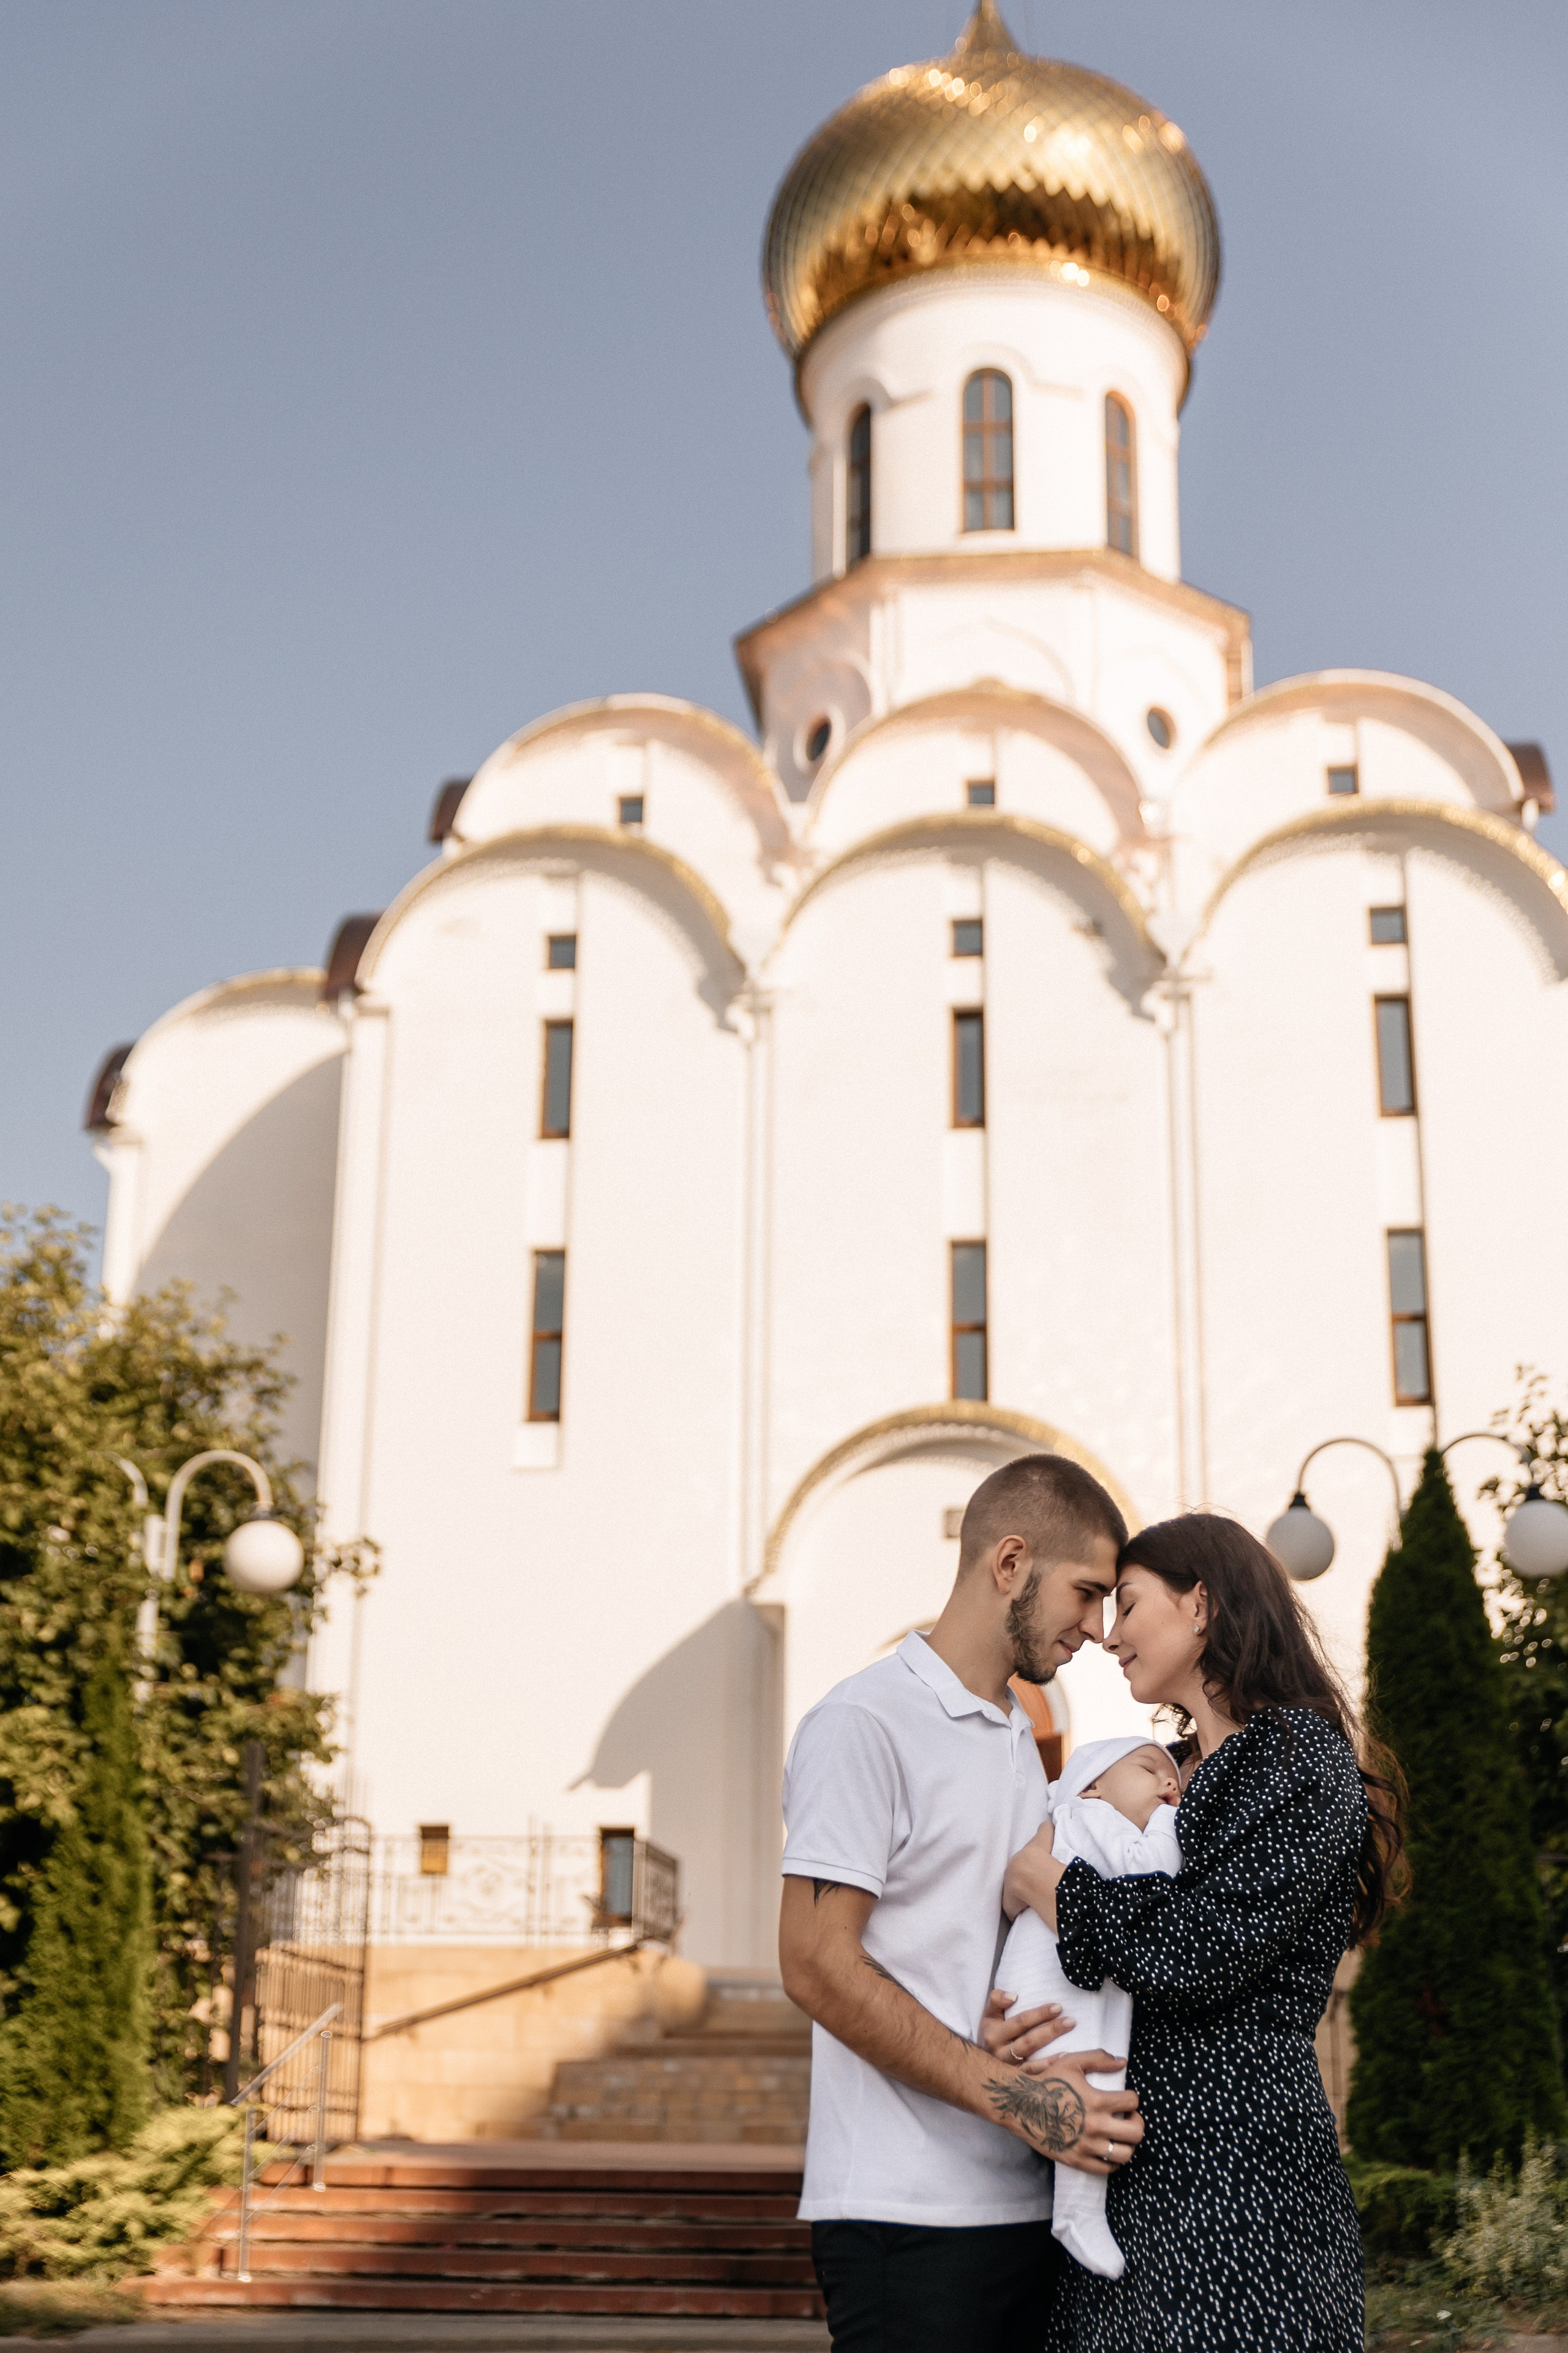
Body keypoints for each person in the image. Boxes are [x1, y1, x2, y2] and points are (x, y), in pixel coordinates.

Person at [994, 1514, 1406, 2353]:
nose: (1109, 1635)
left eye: (1129, 1603)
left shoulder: (1294, 1754)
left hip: (1240, 2179)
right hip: (1134, 2169)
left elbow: (1194, 1952)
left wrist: (1047, 1884)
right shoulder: (1173, 1774)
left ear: (1201, 1604)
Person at [778, 1454, 1145, 2353]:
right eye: (1087, 1593)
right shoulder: (863, 1722)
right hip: (904, 2219)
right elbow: (815, 1963)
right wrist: (1022, 2099)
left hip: (1026, 2205)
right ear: (1011, 1562)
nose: (1098, 1628)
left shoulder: (1020, 1733)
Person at [996, 1736, 1182, 2279]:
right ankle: (1077, 2212)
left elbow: (1015, 1892)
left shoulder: (1068, 1825)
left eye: (1173, 1776)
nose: (1170, 1782)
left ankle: (1076, 2209)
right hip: (1057, 1986)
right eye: (1149, 1768)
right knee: (1091, 2086)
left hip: (1050, 1982)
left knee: (1088, 2082)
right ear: (1092, 1784)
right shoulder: (1093, 1816)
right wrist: (1169, 1822)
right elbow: (1150, 1870)